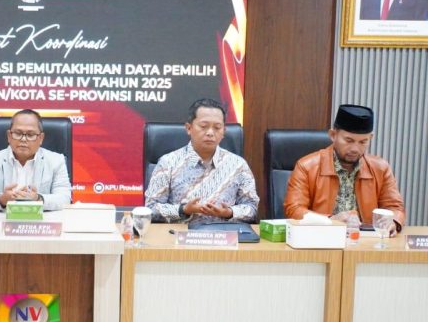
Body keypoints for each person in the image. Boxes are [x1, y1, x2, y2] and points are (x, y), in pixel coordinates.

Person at [284, 104, 406, 235]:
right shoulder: (306, 167)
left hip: (366, 241)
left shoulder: (380, 168)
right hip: (322, 238)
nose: (355, 149)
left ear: (370, 138)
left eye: (363, 142)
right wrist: (330, 221)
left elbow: (395, 207)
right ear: (333, 135)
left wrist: (393, 221)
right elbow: (294, 209)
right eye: (349, 140)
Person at [145, 98, 259, 224]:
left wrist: (228, 212)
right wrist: (183, 210)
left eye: (217, 127)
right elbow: (151, 208)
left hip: (224, 234)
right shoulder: (168, 163)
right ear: (189, 128)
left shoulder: (238, 165)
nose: (210, 133)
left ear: (223, 132)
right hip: (179, 234)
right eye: (204, 126)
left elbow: (252, 208)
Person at [0, 109, 71, 211]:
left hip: (43, 220)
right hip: (1, 219)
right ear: (9, 136)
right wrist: (2, 199)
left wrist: (38, 199)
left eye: (30, 135)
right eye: (17, 133)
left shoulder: (56, 161)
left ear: (41, 138)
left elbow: (65, 199)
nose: (23, 139)